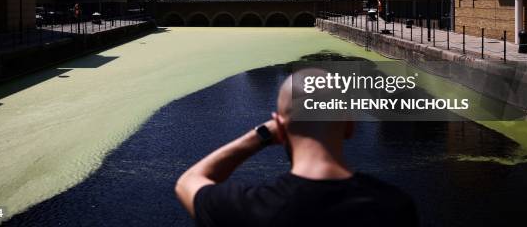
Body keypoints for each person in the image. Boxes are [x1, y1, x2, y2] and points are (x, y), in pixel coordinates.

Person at [175, 70, 418, 227]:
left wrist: (262, 134)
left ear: (280, 130)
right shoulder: (396, 208)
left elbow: (188, 181)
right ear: (349, 125)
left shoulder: (252, 209)